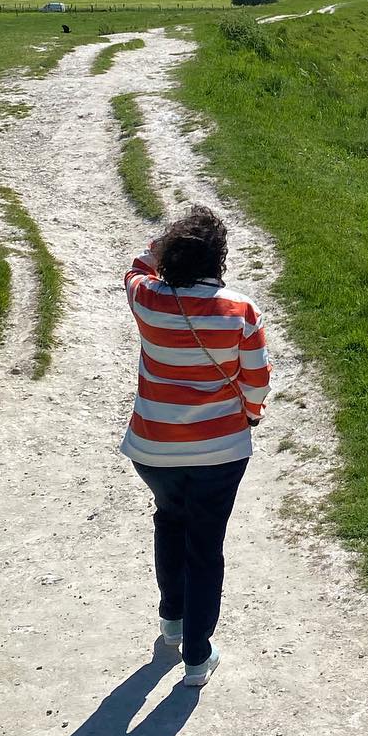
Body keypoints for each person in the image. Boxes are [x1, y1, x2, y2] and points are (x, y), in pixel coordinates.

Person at [121, 206, 270, 688]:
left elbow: (135, 268)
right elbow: (257, 382)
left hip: (154, 447)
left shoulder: (148, 299)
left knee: (169, 520)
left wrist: (157, 248)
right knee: (205, 546)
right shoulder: (240, 310)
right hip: (221, 451)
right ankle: (197, 658)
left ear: (171, 256)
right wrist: (251, 414)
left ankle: (171, 623)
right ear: (219, 258)